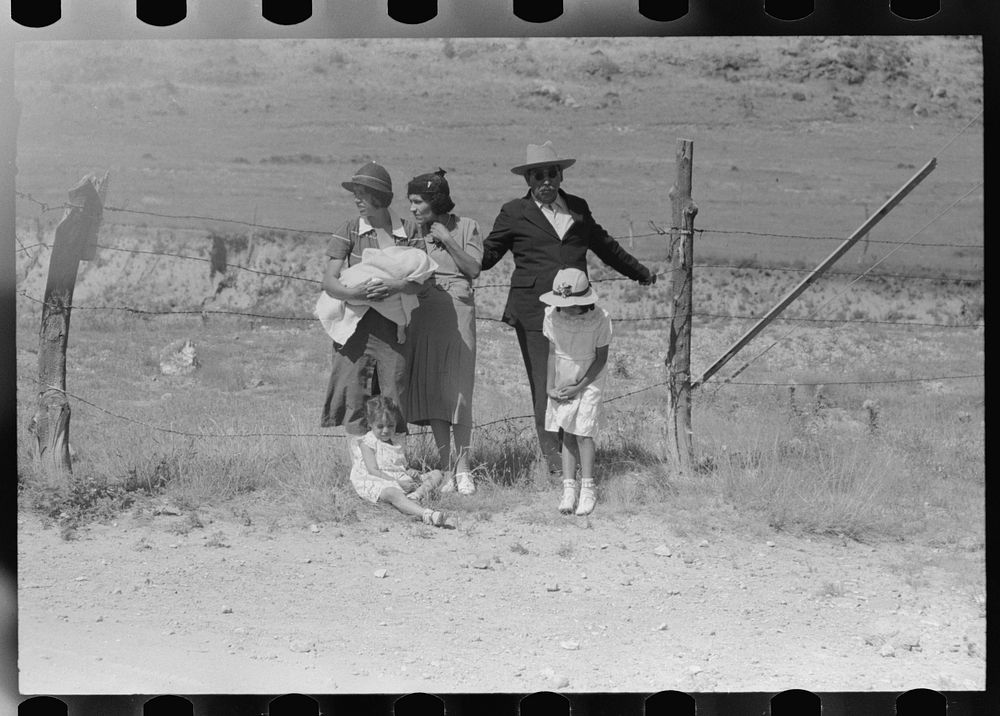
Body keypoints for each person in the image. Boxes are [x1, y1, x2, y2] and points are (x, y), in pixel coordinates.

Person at [480, 141, 656, 483]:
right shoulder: (513, 212)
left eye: (551, 173)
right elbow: (487, 256)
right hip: (533, 312)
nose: (546, 180)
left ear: (560, 175)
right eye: (538, 175)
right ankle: (556, 466)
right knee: (545, 386)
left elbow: (606, 246)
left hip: (577, 313)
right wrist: (453, 245)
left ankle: (575, 460)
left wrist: (639, 272)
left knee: (576, 381)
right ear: (528, 179)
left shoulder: (578, 208)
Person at [320, 161, 429, 438]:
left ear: (380, 197)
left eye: (363, 193)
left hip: (394, 330)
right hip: (355, 326)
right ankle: (364, 472)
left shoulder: (409, 232)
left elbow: (422, 282)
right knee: (353, 390)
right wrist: (353, 293)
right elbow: (329, 282)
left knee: (394, 389)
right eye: (355, 193)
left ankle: (394, 464)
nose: (357, 199)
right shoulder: (350, 230)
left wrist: (396, 286)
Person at [404, 169, 483, 495]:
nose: (412, 208)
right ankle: (447, 468)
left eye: (417, 201)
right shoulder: (411, 234)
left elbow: (473, 269)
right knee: (436, 392)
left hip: (458, 314)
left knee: (458, 392)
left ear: (434, 201)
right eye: (410, 202)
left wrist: (448, 241)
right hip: (425, 315)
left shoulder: (466, 227)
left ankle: (464, 469)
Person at [540, 269, 612, 516]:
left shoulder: (600, 319)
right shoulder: (552, 316)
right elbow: (552, 353)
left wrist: (579, 386)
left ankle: (588, 487)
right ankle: (568, 488)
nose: (565, 308)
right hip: (564, 377)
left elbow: (601, 359)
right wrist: (550, 387)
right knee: (567, 431)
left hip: (590, 378)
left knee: (584, 432)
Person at [348, 396, 454, 527]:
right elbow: (373, 471)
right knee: (392, 493)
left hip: (400, 477)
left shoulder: (397, 441)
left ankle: (415, 496)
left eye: (390, 426)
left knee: (437, 474)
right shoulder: (368, 443)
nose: (386, 430)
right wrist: (397, 482)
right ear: (370, 424)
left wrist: (411, 472)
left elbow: (401, 465)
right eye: (380, 426)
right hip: (380, 480)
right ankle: (426, 514)